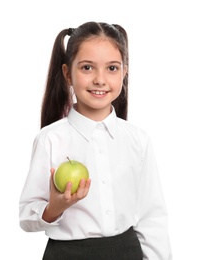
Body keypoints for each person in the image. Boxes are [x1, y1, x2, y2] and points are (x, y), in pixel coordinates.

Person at [19, 21, 172, 259]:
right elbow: (27, 217)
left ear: (124, 72)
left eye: (112, 68)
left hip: (127, 252)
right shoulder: (50, 139)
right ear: (68, 74)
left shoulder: (138, 140)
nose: (100, 80)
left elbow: (152, 216)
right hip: (67, 254)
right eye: (87, 68)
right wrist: (55, 208)